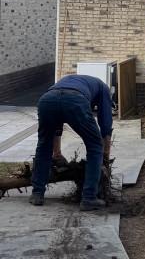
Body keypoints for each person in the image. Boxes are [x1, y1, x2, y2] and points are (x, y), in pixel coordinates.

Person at [30, 74, 113, 210]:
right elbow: (105, 124)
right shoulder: (103, 88)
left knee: (44, 145)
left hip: (46, 100)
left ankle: (37, 194)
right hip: (75, 101)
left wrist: (57, 153)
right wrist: (105, 156)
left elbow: (56, 125)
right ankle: (89, 198)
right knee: (95, 146)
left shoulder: (68, 82)